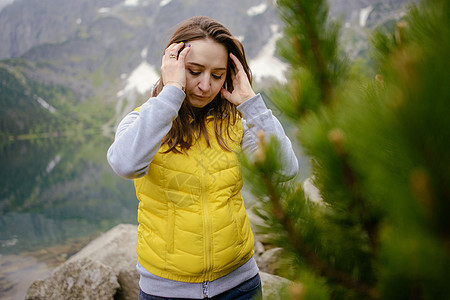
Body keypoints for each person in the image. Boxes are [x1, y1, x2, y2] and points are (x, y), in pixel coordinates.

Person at [107, 16, 298, 300]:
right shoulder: (143, 122)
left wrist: (250, 102)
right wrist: (172, 93)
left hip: (241, 285)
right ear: (172, 65)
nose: (205, 85)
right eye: (194, 71)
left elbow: (285, 169)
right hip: (166, 292)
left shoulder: (236, 125)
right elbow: (125, 164)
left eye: (217, 74)